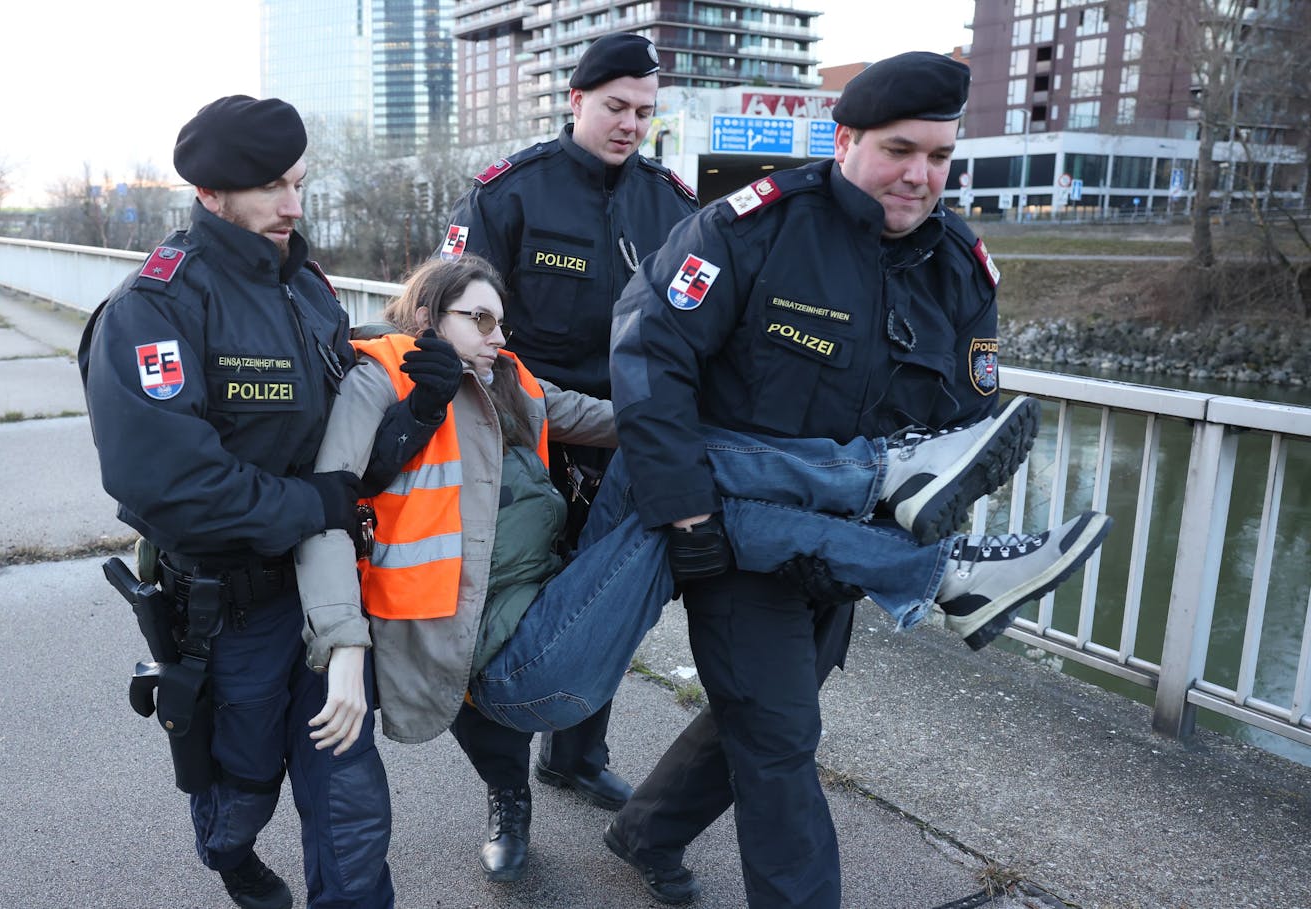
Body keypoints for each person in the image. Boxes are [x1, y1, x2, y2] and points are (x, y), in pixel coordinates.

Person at [293, 258, 1110, 887]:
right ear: (429, 314)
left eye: (502, 320)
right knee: (671, 498)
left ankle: (932, 555)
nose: (497, 334)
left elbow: (632, 421)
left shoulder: (515, 387)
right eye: (479, 320)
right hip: (510, 665)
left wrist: (700, 396)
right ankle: (897, 499)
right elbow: (327, 516)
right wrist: (343, 651)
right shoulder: (383, 377)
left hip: (556, 605)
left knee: (674, 455)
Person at [601, 52, 1105, 908]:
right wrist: (687, 520)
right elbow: (648, 364)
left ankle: (646, 829)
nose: (919, 176)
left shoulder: (960, 265)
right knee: (780, 733)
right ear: (845, 140)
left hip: (854, 542)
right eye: (900, 150)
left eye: (939, 157)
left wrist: (881, 544)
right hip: (732, 533)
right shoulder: (749, 229)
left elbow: (963, 432)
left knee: (760, 712)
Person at [77, 95, 453, 909]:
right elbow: (170, 489)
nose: (293, 206)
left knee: (350, 795)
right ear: (210, 194)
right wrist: (313, 505)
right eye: (270, 188)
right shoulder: (155, 309)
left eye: (299, 182)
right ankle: (228, 852)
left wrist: (414, 412)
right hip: (232, 614)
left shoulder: (310, 291)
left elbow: (346, 466)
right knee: (242, 785)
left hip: (329, 598)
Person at [435, 31, 698, 876]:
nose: (630, 125)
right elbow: (448, 316)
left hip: (625, 448)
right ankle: (508, 797)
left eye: (645, 113)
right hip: (524, 449)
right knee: (494, 631)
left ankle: (577, 755)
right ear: (575, 101)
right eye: (615, 107)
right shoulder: (509, 194)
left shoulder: (670, 203)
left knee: (610, 608)